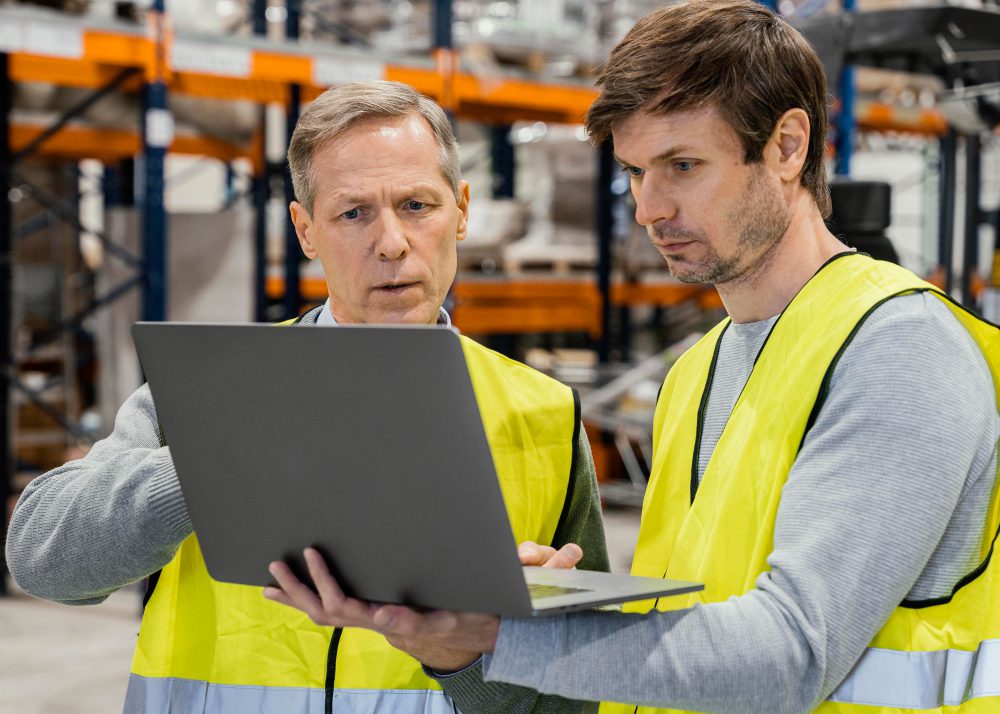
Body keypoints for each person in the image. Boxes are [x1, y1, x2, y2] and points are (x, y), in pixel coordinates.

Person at [263, 3, 1000, 713]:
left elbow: (795, 651)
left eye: (682, 165)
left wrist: (496, 629)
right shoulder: (695, 373)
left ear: (787, 147)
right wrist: (526, 599)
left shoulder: (896, 349)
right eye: (637, 172)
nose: (649, 208)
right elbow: (681, 621)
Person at [5, 80, 609, 714]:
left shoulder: (543, 413)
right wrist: (216, 461)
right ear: (305, 230)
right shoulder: (213, 391)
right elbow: (45, 560)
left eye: (416, 205)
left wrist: (481, 653)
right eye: (353, 213)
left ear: (461, 209)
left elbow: (586, 692)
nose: (392, 243)